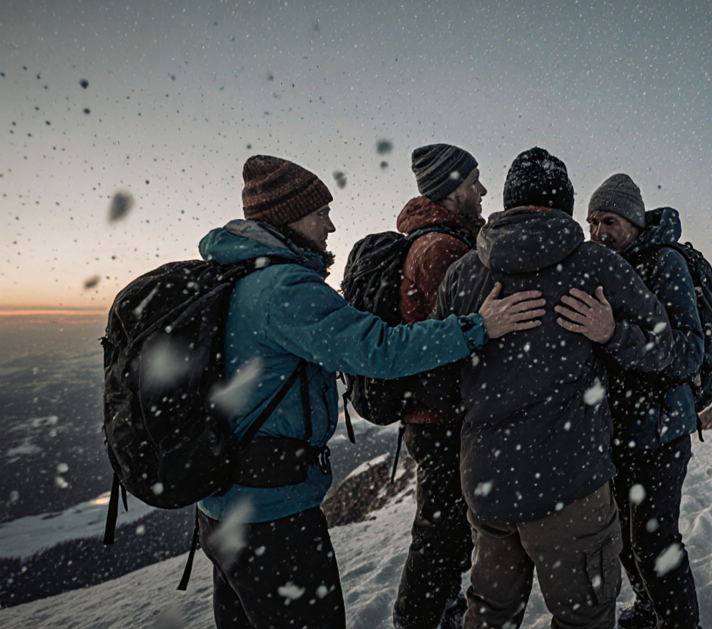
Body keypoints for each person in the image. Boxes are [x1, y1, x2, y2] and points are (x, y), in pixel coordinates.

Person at [194, 154, 545, 629]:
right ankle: (421, 617)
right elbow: (378, 348)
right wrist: (479, 327)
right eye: (320, 214)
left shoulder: (239, 277)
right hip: (271, 511)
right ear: (289, 217)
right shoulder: (284, 289)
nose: (331, 226)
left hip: (225, 503)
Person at [427, 147, 675, 629]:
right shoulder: (596, 265)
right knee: (584, 617)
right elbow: (663, 348)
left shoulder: (463, 274)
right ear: (565, 203)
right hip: (572, 487)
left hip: (487, 484)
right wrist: (612, 335)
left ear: (508, 200)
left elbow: (434, 380)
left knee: (489, 614)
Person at [583, 173, 704, 629]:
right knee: (623, 540)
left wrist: (614, 334)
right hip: (619, 434)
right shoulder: (603, 266)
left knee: (654, 544)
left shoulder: (664, 263)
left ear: (633, 222)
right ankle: (652, 609)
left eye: (609, 221)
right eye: (592, 221)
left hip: (661, 435)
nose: (598, 233)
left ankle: (677, 622)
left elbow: (687, 352)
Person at [391, 143, 488, 629]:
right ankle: (421, 619)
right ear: (452, 190)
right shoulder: (441, 250)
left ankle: (437, 611)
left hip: (435, 414)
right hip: (441, 418)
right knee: (441, 533)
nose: (483, 190)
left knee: (446, 531)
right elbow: (447, 347)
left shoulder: (444, 240)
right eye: (474, 182)